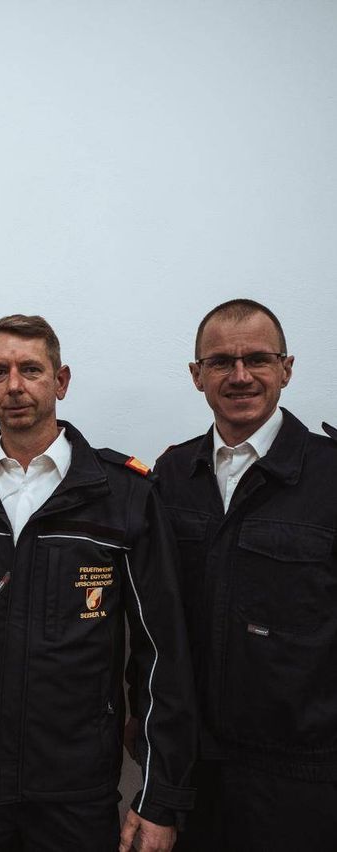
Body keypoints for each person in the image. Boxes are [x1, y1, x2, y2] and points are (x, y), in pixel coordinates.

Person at [0, 314, 196, 852]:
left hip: (75, 787)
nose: (15, 386)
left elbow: (160, 656)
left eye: (31, 369)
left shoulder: (122, 497)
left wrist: (160, 794)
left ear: (61, 380)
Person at [148, 299, 337, 851]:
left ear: (287, 368)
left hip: (306, 777)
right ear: (196, 375)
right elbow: (154, 622)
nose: (240, 376)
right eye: (221, 362)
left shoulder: (330, 476)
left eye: (258, 358)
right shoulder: (172, 474)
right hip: (194, 771)